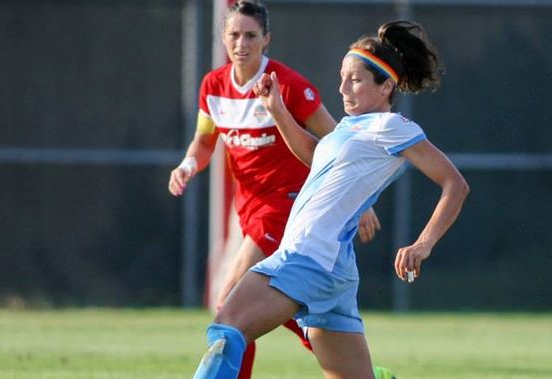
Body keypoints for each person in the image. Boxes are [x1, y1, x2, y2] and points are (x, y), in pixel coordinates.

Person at [192, 19, 469, 379]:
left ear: (386, 86)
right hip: (333, 269)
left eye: (354, 79)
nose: (342, 88)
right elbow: (313, 153)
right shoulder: (349, 127)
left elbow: (454, 184)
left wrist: (423, 243)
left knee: (227, 330)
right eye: (342, 77)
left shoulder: (390, 126)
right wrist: (277, 109)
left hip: (308, 257)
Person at [168, 1, 382, 377]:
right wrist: (187, 165)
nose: (241, 43)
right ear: (223, 38)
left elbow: (335, 139)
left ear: (266, 39)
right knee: (281, 309)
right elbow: (204, 143)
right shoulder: (213, 86)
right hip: (250, 210)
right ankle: (357, 369)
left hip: (289, 207)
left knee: (231, 303)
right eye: (234, 35)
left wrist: (358, 200)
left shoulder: (288, 84)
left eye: (251, 35)